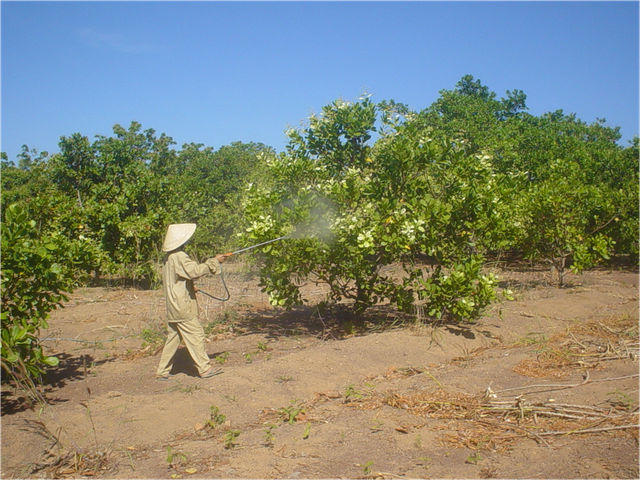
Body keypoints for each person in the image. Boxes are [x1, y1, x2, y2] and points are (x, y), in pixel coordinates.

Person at [156, 223, 230, 380]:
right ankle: (204, 369)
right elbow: (194, 271)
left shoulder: (169, 256)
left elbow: (177, 279)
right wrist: (213, 262)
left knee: (173, 337)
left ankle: (162, 371)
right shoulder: (180, 256)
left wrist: (189, 287)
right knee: (196, 333)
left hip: (173, 304)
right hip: (182, 305)